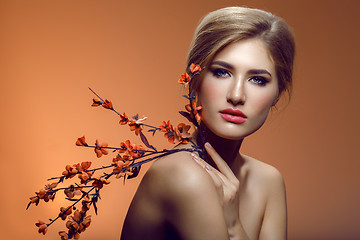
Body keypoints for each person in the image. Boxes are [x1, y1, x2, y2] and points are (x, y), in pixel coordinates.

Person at [121, 6, 295, 240]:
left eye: (257, 79)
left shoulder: (268, 180)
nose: (236, 95)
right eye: (222, 72)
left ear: (278, 93)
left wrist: (233, 224)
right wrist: (233, 226)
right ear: (194, 80)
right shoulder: (182, 175)